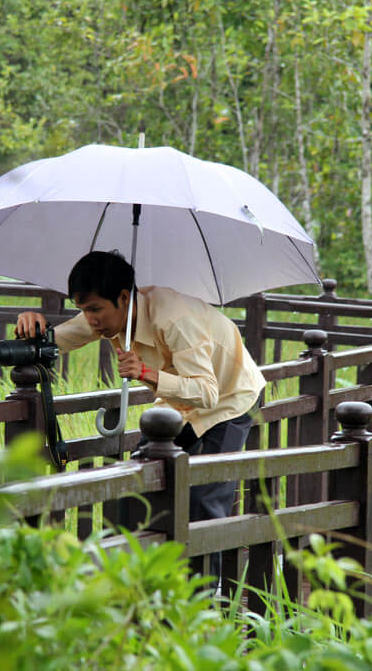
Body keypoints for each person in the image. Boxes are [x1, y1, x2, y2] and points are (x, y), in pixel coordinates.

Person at [16, 250, 266, 586]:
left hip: (230, 398)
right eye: (82, 310)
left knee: (204, 499)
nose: (89, 319)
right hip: (178, 403)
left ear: (123, 297)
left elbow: (207, 392)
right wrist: (33, 328)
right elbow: (57, 341)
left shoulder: (174, 318)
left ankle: (205, 601)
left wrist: (146, 372)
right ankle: (150, 586)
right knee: (143, 479)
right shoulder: (108, 316)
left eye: (94, 309)